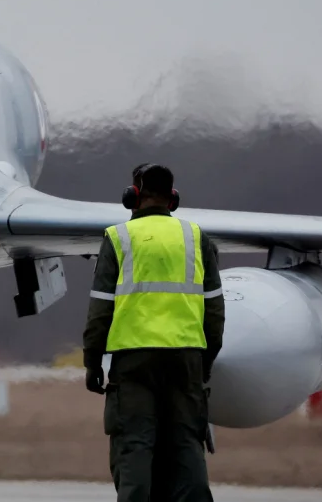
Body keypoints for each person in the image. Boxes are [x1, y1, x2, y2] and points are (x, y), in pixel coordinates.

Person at [82, 163, 225, 502]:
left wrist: (92, 362)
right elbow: (215, 311)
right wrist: (204, 363)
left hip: (134, 364)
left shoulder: (119, 238)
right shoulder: (195, 238)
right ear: (172, 198)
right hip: (185, 359)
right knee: (187, 445)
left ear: (133, 195)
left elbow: (100, 311)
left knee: (135, 447)